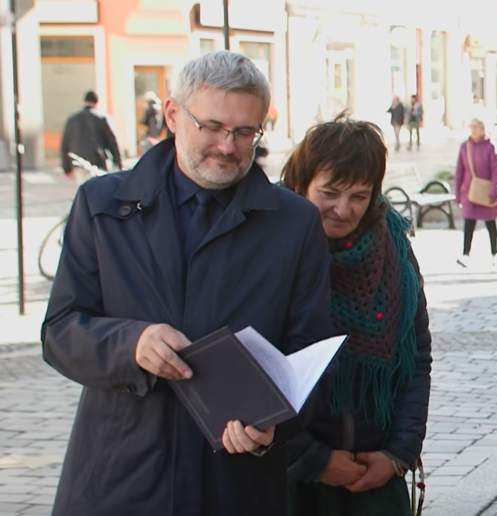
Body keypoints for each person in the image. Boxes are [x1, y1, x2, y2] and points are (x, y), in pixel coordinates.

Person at [40, 50, 335, 516]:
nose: (227, 146)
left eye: (244, 133)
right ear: (174, 115)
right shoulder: (101, 206)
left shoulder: (295, 223)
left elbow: (312, 354)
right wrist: (130, 343)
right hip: (119, 479)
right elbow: (59, 332)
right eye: (212, 127)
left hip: (235, 485)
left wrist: (275, 425)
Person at [282, 113, 432, 516]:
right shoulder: (273, 249)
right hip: (293, 481)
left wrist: (399, 453)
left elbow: (416, 358)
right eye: (329, 193)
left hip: (377, 475)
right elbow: (252, 374)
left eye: (360, 196)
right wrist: (313, 460)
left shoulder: (394, 250)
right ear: (301, 185)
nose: (343, 209)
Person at [455, 118, 497, 267]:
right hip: (469, 191)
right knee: (469, 222)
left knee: (490, 222)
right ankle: (465, 254)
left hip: (487, 191)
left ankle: (495, 252)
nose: (473, 130)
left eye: (476, 127)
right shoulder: (465, 147)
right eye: (471, 127)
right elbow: (459, 171)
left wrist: (495, 189)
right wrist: (457, 193)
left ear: (483, 129)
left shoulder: (491, 147)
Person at [60, 90, 123, 184]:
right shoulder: (101, 118)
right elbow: (112, 142)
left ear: (84, 101)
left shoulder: (72, 120)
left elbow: (65, 145)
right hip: (97, 161)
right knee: (98, 190)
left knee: (83, 189)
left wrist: (66, 167)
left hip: (77, 161)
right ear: (97, 102)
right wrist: (118, 162)